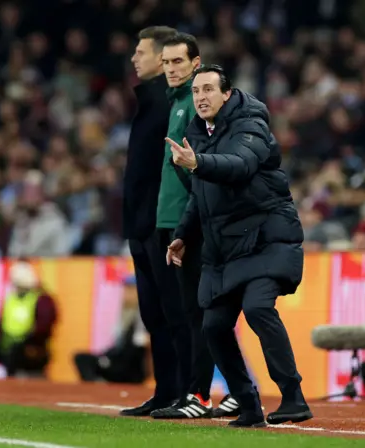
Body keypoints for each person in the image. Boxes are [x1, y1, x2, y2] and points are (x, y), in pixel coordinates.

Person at [165, 64, 312, 427]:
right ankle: (247, 403)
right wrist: (182, 235)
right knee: (213, 326)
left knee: (258, 307)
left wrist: (197, 162)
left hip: (266, 237)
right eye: (196, 92)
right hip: (225, 248)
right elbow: (199, 197)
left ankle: (293, 397)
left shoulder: (251, 125)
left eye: (208, 90)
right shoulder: (196, 133)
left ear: (227, 94)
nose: (201, 97)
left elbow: (240, 166)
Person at [150, 34, 238, 420]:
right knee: (196, 312)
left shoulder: (194, 104)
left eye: (178, 62)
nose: (170, 69)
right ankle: (229, 390)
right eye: (166, 63)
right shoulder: (176, 103)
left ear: (196, 63)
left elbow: (198, 172)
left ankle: (201, 394)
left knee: (201, 312)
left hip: (192, 222)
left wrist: (188, 224)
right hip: (174, 220)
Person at [120, 26, 188, 417]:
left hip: (162, 226)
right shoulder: (150, 103)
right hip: (141, 226)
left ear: (162, 59)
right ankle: (166, 391)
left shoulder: (171, 105)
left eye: (140, 51)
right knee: (154, 314)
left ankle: (187, 392)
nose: (134, 58)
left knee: (175, 311)